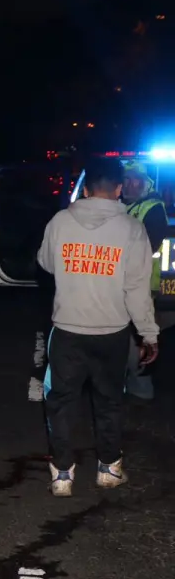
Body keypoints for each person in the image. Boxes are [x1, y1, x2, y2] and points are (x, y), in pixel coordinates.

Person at [37, 157, 159, 497]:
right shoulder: (132, 230)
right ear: (119, 189)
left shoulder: (61, 221)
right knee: (109, 402)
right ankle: (108, 469)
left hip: (67, 332)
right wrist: (149, 334)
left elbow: (46, 262)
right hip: (112, 334)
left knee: (61, 401)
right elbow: (136, 289)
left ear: (86, 189)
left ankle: (62, 475)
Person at [121, 159, 169, 400]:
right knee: (125, 340)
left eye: (135, 179)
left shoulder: (153, 207)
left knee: (139, 340)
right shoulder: (122, 205)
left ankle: (141, 392)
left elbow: (148, 246)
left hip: (141, 285)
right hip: (122, 284)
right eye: (126, 179)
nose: (130, 185)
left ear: (145, 181)